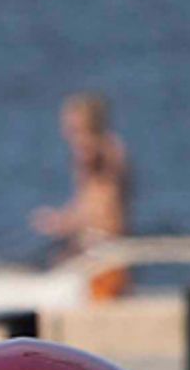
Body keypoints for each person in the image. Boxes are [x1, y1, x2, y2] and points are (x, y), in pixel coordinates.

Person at [32, 91, 134, 301]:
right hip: (94, 250)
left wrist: (62, 222)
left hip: (104, 252)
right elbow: (87, 202)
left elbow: (100, 207)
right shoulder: (105, 153)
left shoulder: (103, 152)